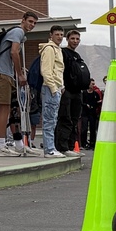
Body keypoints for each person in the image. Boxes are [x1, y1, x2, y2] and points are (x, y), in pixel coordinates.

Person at [0, 11, 42, 157]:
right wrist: (20, 74)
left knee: (14, 109)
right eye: (30, 21)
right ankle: (0, 146)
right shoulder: (18, 31)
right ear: (23, 20)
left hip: (7, 74)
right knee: (4, 108)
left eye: (34, 23)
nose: (32, 25)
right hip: (2, 73)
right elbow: (14, 52)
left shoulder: (20, 34)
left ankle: (19, 144)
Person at [56, 29, 90, 155]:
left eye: (77, 39)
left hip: (77, 92)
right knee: (65, 118)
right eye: (72, 39)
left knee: (75, 120)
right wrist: (61, 86)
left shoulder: (77, 56)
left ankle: (71, 146)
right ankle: (62, 147)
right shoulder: (63, 53)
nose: (75, 41)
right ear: (67, 39)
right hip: (66, 91)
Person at [38, 25, 66, 158]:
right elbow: (46, 71)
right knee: (49, 119)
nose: (59, 37)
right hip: (50, 88)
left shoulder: (57, 50)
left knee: (53, 119)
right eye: (57, 34)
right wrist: (54, 88)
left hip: (56, 87)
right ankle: (49, 149)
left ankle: (51, 147)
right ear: (51, 35)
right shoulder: (49, 49)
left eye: (61, 34)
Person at [80, 79, 102, 149]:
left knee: (93, 129)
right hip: (85, 113)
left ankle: (92, 143)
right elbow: (81, 102)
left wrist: (97, 104)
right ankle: (83, 143)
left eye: (94, 84)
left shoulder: (95, 94)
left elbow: (98, 102)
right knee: (84, 128)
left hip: (92, 113)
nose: (93, 85)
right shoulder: (83, 93)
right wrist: (86, 105)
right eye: (92, 84)